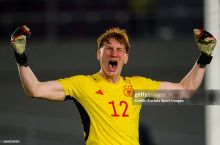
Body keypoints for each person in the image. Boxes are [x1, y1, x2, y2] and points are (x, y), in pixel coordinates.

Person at [10, 26, 216, 145]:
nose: (114, 53)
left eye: (119, 50)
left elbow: (185, 90)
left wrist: (205, 57)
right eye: (108, 49)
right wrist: (21, 56)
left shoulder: (136, 88)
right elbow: (34, 89)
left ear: (125, 58)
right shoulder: (83, 85)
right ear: (98, 54)